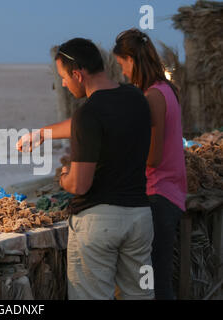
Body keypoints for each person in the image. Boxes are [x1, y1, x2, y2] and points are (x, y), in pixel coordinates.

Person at [17, 38, 154, 299]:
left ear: (78, 75)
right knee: (141, 295)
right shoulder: (135, 98)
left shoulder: (88, 114)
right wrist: (42, 133)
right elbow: (97, 120)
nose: (63, 85)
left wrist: (64, 176)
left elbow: (80, 185)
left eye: (64, 78)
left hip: (100, 224)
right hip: (139, 218)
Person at [113, 29, 187, 300]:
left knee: (152, 283)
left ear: (131, 59)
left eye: (122, 65)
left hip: (158, 196)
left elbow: (152, 157)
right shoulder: (168, 89)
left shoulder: (153, 97)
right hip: (172, 193)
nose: (122, 73)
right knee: (160, 278)